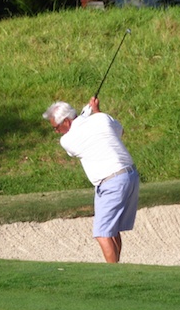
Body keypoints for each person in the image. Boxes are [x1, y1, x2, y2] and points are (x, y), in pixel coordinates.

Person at [43, 96, 139, 263]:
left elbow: (76, 141)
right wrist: (96, 112)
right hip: (130, 176)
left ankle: (113, 275)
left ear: (66, 121)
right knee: (112, 229)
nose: (57, 132)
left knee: (102, 233)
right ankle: (118, 269)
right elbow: (119, 131)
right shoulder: (101, 118)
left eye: (56, 128)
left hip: (110, 181)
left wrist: (86, 116)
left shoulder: (67, 140)